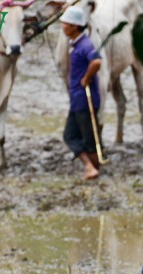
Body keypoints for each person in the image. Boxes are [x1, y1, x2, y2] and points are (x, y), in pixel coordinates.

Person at [60, 6, 102, 181]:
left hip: (84, 99)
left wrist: (86, 78)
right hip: (78, 98)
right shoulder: (76, 44)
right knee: (75, 135)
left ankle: (91, 167)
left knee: (81, 137)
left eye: (66, 23)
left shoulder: (84, 44)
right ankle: (91, 166)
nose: (63, 26)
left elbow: (97, 61)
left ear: (75, 26)